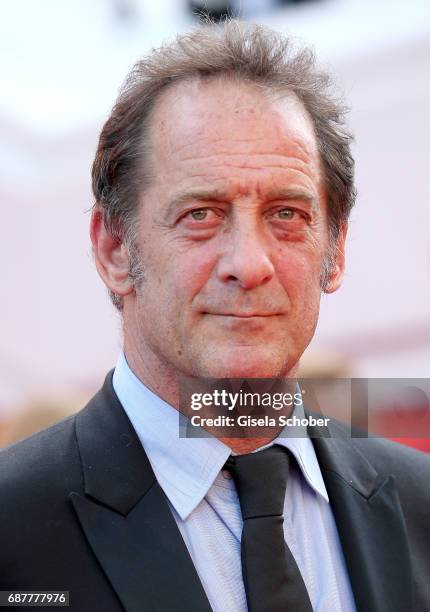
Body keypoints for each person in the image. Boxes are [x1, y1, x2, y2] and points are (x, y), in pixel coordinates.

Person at [1, 20, 429, 612]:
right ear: (114, 249)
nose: (249, 264)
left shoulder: (420, 507)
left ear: (336, 251)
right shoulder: (14, 532)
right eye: (201, 214)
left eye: (287, 214)